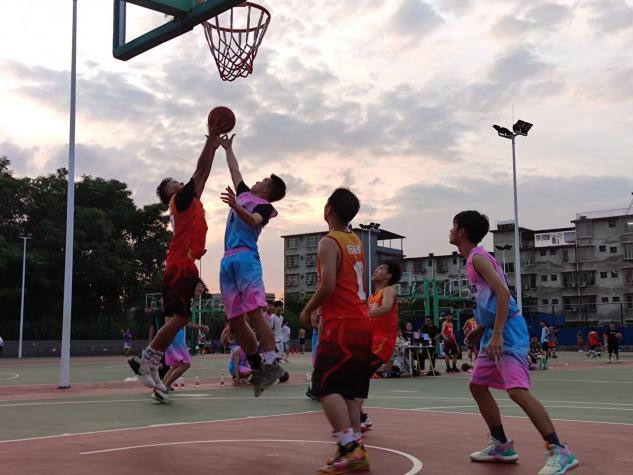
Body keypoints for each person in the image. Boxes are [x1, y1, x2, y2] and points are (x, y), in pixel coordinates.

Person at [450, 210, 578, 474]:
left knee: (517, 391)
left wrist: (497, 333)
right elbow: (492, 299)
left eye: (453, 226)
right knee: (477, 386)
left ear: (461, 232)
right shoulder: (473, 259)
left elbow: (503, 293)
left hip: (508, 330)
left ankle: (560, 451)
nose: (450, 231)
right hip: (493, 330)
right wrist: (483, 328)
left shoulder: (478, 258)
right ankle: (501, 445)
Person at [129, 122, 221, 397]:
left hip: (183, 265)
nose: (181, 183)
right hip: (180, 266)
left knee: (179, 319)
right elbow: (200, 171)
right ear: (171, 192)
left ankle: (152, 362)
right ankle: (146, 358)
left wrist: (214, 147)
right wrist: (210, 139)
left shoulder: (189, 202)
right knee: (180, 318)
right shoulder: (179, 201)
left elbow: (203, 176)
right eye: (176, 183)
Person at [299, 188, 371, 474]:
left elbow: (327, 285)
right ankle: (356, 450)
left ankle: (348, 447)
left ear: (328, 209)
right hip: (361, 321)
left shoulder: (329, 242)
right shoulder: (355, 240)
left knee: (325, 387)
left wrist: (308, 309)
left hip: (342, 323)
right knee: (349, 393)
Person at [218, 134, 286, 396]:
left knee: (255, 314)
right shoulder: (245, 193)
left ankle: (271, 364)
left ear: (267, 190)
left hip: (246, 257)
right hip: (228, 258)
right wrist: (228, 148)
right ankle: (257, 365)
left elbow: (254, 221)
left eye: (263, 180)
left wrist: (236, 206)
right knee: (235, 320)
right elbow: (234, 170)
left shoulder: (264, 206)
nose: (258, 180)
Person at [361, 259, 402, 432]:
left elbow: (386, 307)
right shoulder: (372, 296)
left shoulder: (388, 290)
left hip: (382, 343)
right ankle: (361, 417)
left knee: (358, 375)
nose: (376, 270)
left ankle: (358, 419)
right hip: (370, 342)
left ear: (388, 275)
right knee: (356, 375)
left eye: (381, 268)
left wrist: (362, 314)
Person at [157, 280, 210, 396]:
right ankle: (163, 388)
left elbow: (182, 321)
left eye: (202, 287)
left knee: (176, 365)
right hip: (175, 334)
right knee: (185, 364)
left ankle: (162, 386)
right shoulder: (183, 299)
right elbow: (176, 319)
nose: (200, 289)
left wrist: (199, 326)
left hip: (175, 333)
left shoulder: (185, 300)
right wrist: (200, 327)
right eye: (198, 286)